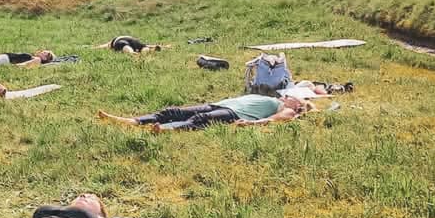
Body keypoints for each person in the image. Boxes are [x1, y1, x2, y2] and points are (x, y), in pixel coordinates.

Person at [97, 93, 309, 131]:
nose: (287, 96)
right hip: (219, 104)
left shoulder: (287, 111)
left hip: (234, 114)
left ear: (295, 105)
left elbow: (274, 120)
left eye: (293, 98)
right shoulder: (274, 98)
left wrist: (250, 124)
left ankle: (167, 131)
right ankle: (132, 121)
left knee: (201, 119)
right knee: (173, 110)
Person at [94, 35, 167, 55]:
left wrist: (93, 48)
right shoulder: (125, 37)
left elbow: (101, 46)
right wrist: (164, 46)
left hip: (120, 42)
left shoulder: (111, 43)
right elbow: (148, 45)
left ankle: (133, 53)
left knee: (126, 49)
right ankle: (152, 50)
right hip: (134, 41)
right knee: (144, 47)